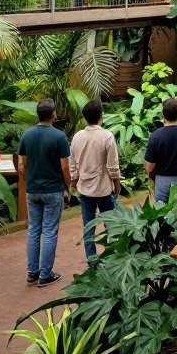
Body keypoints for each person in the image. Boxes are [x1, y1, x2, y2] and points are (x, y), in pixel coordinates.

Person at [15, 98, 72, 287]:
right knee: (49, 231)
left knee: (33, 230)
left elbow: (21, 164)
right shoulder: (59, 137)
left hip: (33, 190)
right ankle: (45, 274)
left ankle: (32, 272)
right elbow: (65, 166)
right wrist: (68, 187)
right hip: (53, 190)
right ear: (53, 115)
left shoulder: (27, 135)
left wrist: (28, 180)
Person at [70, 100, 121, 265]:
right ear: (101, 116)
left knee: (88, 229)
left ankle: (92, 264)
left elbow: (73, 165)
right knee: (112, 227)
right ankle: (113, 260)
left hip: (85, 190)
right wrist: (117, 185)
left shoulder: (77, 137)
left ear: (84, 117)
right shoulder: (107, 136)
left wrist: (74, 182)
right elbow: (113, 166)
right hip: (104, 189)